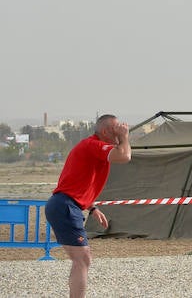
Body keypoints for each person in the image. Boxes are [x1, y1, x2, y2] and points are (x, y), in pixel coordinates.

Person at [44, 114, 132, 298]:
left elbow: (78, 183)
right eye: (116, 127)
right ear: (106, 131)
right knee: (82, 259)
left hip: (66, 205)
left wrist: (92, 208)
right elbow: (124, 156)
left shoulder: (92, 147)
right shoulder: (93, 145)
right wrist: (124, 137)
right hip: (65, 205)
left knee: (81, 260)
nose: (121, 129)